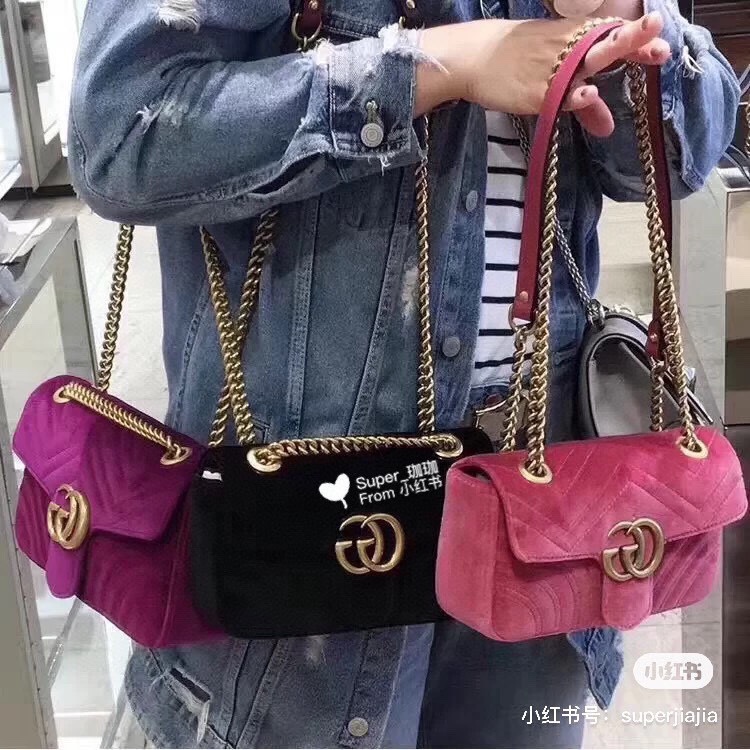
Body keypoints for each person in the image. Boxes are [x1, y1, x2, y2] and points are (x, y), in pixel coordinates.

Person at [68, 0, 738, 747]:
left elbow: (677, 159)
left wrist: (621, 19)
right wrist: (435, 68)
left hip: (542, 493)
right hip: (310, 503)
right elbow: (120, 133)